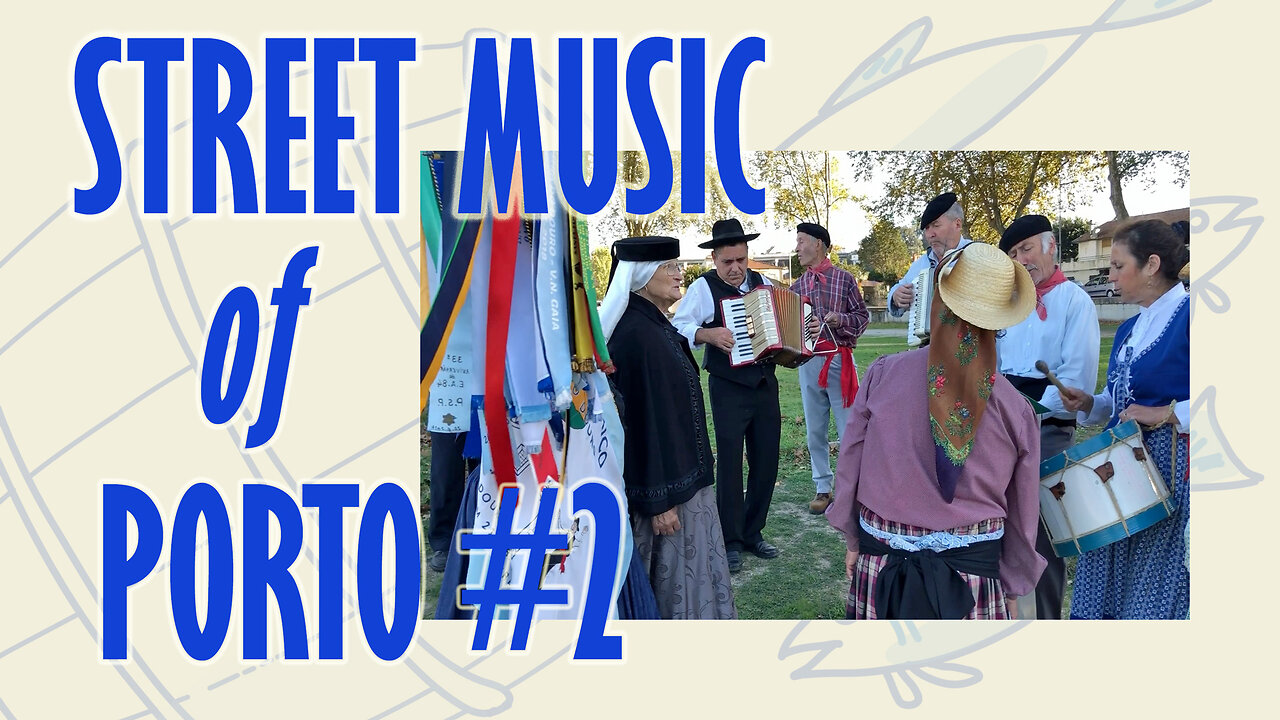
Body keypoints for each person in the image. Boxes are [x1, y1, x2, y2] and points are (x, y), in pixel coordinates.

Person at [827, 242, 1045, 619]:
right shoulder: (1014, 406)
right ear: (999, 321)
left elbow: (851, 465)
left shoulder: (882, 376)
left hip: (882, 569)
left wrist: (852, 538)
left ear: (937, 299)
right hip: (972, 582)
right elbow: (1025, 509)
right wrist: (1013, 581)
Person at [599, 235, 737, 619]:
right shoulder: (636, 335)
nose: (680, 275)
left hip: (683, 480)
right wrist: (660, 503)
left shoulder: (653, 324)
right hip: (666, 495)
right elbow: (643, 425)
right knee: (673, 589)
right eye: (670, 268)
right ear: (642, 276)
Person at [1058, 219, 1190, 620]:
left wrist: (1167, 413)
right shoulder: (1129, 328)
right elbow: (1120, 402)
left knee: (1151, 587)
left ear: (1151, 265)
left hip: (1167, 470)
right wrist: (1089, 404)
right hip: (1116, 470)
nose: (1110, 275)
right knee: (1108, 579)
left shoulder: (1192, 315)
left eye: (1117, 266)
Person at [996, 214, 1100, 619]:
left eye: (1026, 249)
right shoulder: (1006, 301)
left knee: (1041, 535)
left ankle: (1043, 622)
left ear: (1051, 245)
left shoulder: (1076, 302)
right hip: (1001, 426)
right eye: (1013, 254)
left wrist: (1024, 407)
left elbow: (1075, 382)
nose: (1021, 260)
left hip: (1048, 430)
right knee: (995, 526)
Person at [672, 219, 781, 574]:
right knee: (731, 463)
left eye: (740, 260)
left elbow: (782, 322)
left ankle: (754, 532)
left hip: (766, 383)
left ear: (747, 257)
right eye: (727, 262)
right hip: (728, 386)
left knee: (766, 461)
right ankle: (730, 540)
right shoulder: (703, 288)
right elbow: (679, 325)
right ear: (714, 260)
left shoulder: (764, 284)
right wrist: (708, 335)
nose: (735, 268)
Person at [789, 222, 869, 514]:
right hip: (808, 364)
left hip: (840, 362)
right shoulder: (795, 287)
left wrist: (839, 319)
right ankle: (823, 487)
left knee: (849, 429)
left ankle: (852, 490)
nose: (796, 247)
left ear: (818, 244)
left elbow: (862, 318)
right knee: (815, 430)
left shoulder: (845, 279)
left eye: (800, 241)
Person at [888, 192, 974, 326]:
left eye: (936, 225)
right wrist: (895, 296)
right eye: (927, 228)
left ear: (957, 224)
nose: (930, 235)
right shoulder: (921, 264)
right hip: (928, 344)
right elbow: (899, 287)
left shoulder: (978, 256)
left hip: (968, 344)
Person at [426, 430, 476, 572]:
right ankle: (444, 542)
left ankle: (481, 533)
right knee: (445, 468)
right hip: (447, 410)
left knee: (484, 466)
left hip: (485, 409)